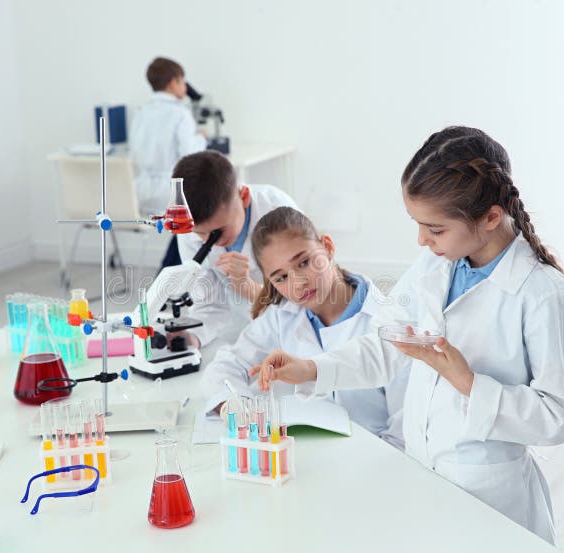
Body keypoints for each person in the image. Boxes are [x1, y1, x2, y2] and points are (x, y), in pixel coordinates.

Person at [250, 127, 564, 544]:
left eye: (434, 229)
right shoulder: (436, 265)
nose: (421, 240)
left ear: (489, 216)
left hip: (489, 496)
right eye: (417, 225)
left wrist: (466, 382)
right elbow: (390, 343)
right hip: (423, 477)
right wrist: (310, 369)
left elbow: (558, 418)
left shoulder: (544, 294)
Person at [199, 207, 406, 446]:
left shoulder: (388, 320)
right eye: (281, 277)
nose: (298, 284)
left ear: (327, 247)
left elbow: (404, 431)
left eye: (304, 262)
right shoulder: (283, 316)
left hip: (373, 461)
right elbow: (225, 366)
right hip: (305, 460)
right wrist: (234, 404)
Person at [171, 150, 297, 348]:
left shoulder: (281, 214)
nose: (207, 241)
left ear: (244, 197)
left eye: (216, 232)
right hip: (240, 333)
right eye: (199, 233)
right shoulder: (189, 229)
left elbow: (303, 302)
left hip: (293, 335)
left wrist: (249, 288)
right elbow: (208, 305)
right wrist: (191, 337)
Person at [129, 56, 206, 267]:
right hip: (169, 194)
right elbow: (189, 156)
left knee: (190, 220)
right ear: (174, 83)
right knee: (206, 213)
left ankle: (171, 274)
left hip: (138, 193)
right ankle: (167, 275)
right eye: (183, 82)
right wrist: (201, 139)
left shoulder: (141, 113)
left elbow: (134, 152)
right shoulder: (180, 114)